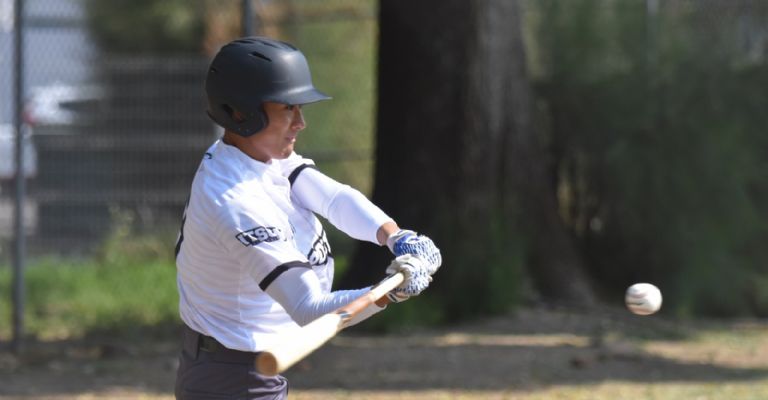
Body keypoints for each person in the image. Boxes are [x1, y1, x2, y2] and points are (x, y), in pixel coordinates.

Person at [174, 36, 443, 399]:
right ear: (240, 112)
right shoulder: (236, 201)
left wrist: (396, 237)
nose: (300, 123)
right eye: (288, 108)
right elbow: (309, 309)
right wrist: (392, 291)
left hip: (243, 365)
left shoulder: (255, 156)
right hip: (233, 378)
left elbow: (333, 198)